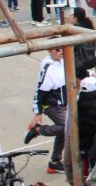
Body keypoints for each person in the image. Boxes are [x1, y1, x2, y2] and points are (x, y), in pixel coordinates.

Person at [23, 45, 68, 173]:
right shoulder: (49, 68)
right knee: (67, 127)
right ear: (49, 51)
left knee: (64, 131)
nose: (61, 51)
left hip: (62, 103)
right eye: (57, 49)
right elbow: (40, 91)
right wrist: (38, 113)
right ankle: (38, 130)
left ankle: (54, 162)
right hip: (52, 105)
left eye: (62, 49)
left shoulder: (62, 62)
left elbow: (76, 68)